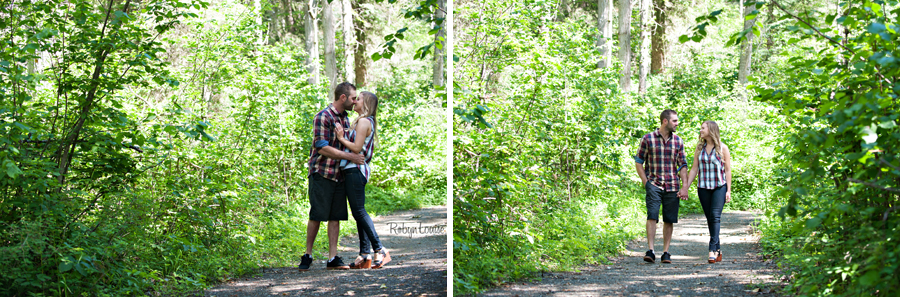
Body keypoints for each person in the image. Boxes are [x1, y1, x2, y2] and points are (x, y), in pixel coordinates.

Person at [299, 82, 365, 271]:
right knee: (317, 214)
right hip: (322, 172)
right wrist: (350, 156)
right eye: (353, 98)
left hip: (340, 174)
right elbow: (321, 147)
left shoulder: (346, 119)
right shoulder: (323, 116)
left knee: (335, 216)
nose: (355, 102)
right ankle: (307, 255)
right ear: (343, 97)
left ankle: (332, 258)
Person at [334, 91, 391, 269]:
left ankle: (380, 249)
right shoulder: (361, 121)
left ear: (365, 104)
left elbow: (357, 148)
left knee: (359, 212)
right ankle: (364, 254)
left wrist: (341, 138)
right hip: (353, 170)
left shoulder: (365, 121)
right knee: (358, 213)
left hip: (355, 170)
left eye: (358, 99)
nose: (354, 101)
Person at [635, 109, 688, 264]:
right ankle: (650, 250)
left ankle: (666, 252)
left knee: (669, 219)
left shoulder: (678, 141)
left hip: (672, 185)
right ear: (665, 121)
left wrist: (684, 186)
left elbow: (682, 165)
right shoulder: (648, 138)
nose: (677, 123)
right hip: (654, 184)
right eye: (675, 121)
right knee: (652, 215)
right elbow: (639, 162)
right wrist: (646, 182)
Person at [680, 121, 733, 264]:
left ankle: (711, 250)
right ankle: (718, 249)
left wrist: (728, 190)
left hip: (719, 187)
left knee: (715, 216)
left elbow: (727, 170)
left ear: (711, 130)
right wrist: (685, 187)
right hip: (703, 188)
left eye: (703, 128)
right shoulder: (699, 148)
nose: (700, 130)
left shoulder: (723, 148)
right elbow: (694, 169)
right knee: (710, 218)